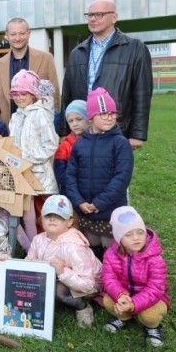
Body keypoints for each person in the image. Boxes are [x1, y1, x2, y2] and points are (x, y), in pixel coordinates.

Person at [61, 0, 153, 151]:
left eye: (99, 14)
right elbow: (67, 94)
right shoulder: (77, 52)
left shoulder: (135, 48)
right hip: (82, 130)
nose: (93, 19)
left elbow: (142, 92)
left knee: (113, 173)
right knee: (83, 173)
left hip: (117, 129)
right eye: (89, 15)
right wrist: (64, 130)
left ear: (114, 18)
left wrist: (138, 133)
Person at [65, 88, 134, 261]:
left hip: (110, 212)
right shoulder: (79, 145)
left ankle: (113, 283)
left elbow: (121, 178)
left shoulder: (120, 143)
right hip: (86, 213)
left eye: (113, 113)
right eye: (103, 113)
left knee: (112, 253)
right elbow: (70, 176)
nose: (109, 117)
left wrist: (99, 203)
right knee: (90, 250)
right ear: (91, 117)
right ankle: (94, 282)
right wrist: (78, 201)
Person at [25, 195, 102, 328]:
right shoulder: (38, 239)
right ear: (41, 218)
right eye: (48, 215)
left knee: (57, 291)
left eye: (59, 216)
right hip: (58, 278)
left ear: (69, 222)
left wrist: (62, 272)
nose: (53, 219)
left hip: (89, 285)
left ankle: (83, 306)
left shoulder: (74, 247)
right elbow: (28, 262)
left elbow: (88, 284)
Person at [102, 206, 170, 347]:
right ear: (118, 238)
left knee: (149, 316)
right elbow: (109, 278)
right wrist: (120, 295)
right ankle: (124, 317)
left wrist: (133, 303)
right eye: (128, 234)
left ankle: (152, 327)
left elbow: (155, 288)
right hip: (125, 294)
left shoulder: (155, 260)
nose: (136, 238)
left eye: (140, 232)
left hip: (153, 298)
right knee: (108, 301)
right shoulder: (110, 255)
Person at [8, 69, 59, 248]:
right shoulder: (15, 117)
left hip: (39, 176)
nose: (19, 98)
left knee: (42, 217)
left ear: (33, 94)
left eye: (23, 93)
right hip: (20, 174)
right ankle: (32, 250)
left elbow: (51, 145)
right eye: (15, 93)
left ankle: (48, 250)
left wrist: (26, 158)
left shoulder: (41, 114)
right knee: (23, 213)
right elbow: (13, 143)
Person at [0, 17, 60, 125]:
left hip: (39, 128)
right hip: (9, 129)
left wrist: (54, 124)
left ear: (29, 34)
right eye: (13, 34)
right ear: (7, 35)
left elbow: (54, 96)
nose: (18, 38)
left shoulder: (46, 58)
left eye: (22, 33)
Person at [54, 100, 88, 195]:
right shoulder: (65, 146)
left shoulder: (97, 142)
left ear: (88, 119)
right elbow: (61, 174)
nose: (75, 124)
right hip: (71, 192)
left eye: (79, 119)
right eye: (70, 121)